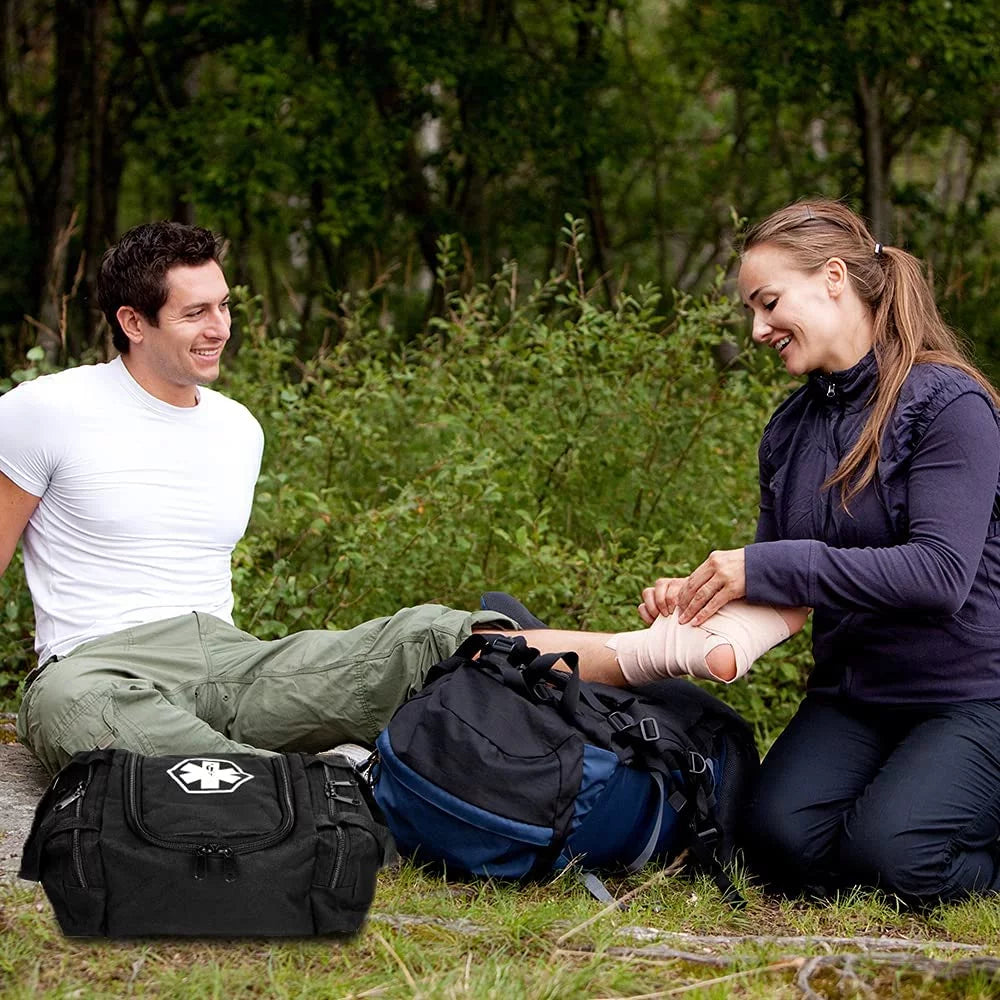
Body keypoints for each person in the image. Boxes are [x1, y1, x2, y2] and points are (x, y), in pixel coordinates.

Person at [1, 221, 790, 777]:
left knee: (423, 633)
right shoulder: (42, 411)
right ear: (132, 321)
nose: (221, 328)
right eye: (196, 312)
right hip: (96, 666)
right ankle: (312, 783)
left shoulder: (236, 428)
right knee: (76, 713)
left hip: (228, 660)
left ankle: (657, 651)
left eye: (227, 305)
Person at [640, 198, 1000, 906]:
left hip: (973, 697)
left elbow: (938, 576)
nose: (757, 328)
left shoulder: (949, 403)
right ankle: (892, 820)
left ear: (834, 277)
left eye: (769, 302)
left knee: (896, 858)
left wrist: (759, 566)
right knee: (775, 845)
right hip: (856, 697)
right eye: (752, 309)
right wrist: (694, 598)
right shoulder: (790, 428)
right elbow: (781, 585)